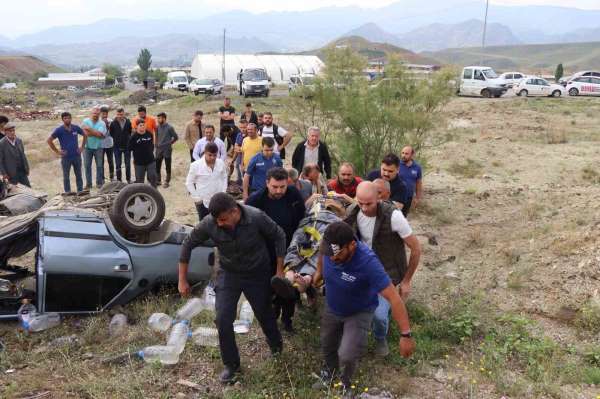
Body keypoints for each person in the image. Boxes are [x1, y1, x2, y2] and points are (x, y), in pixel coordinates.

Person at [178, 192, 285, 383]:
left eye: (223, 219)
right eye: (217, 220)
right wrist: (182, 280)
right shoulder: (210, 222)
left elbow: (279, 235)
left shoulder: (256, 217)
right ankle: (231, 365)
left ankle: (276, 346)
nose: (219, 224)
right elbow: (188, 243)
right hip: (229, 274)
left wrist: (279, 270)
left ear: (235, 211)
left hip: (256, 273)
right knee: (223, 319)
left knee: (264, 313)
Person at [311, 221, 415, 396]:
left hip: (358, 311)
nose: (332, 259)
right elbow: (323, 255)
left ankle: (346, 383)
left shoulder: (368, 263)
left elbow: (393, 297)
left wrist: (405, 334)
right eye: (329, 254)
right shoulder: (329, 251)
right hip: (333, 306)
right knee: (328, 344)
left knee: (347, 354)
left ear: (352, 245)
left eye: (336, 255)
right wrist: (319, 272)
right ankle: (329, 372)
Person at [344, 181, 421, 357]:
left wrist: (407, 280)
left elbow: (416, 248)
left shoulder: (393, 216)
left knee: (379, 316)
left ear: (379, 197)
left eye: (368, 203)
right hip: (361, 269)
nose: (363, 208)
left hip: (386, 272)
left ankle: (380, 338)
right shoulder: (353, 211)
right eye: (360, 202)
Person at [246, 167, 306, 332]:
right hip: (265, 252)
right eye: (275, 187)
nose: (279, 191)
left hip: (290, 251)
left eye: (282, 187)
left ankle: (287, 320)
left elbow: (303, 221)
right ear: (267, 183)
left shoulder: (294, 194)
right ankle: (272, 316)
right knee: (269, 288)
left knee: (289, 287)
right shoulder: (255, 201)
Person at [186, 142, 227, 221]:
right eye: (210, 155)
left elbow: (224, 177)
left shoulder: (220, 163)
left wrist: (223, 192)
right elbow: (189, 183)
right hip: (202, 201)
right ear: (205, 153)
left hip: (218, 200)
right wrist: (197, 198)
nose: (212, 158)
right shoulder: (195, 165)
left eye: (215, 155)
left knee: (218, 221)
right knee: (204, 223)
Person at [47, 112, 85, 194]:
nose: (67, 120)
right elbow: (49, 140)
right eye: (65, 118)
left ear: (71, 118)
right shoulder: (59, 130)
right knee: (66, 177)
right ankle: (68, 193)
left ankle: (80, 191)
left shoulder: (75, 128)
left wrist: (82, 147)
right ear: (62, 119)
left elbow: (85, 135)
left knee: (79, 175)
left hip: (76, 156)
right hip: (66, 158)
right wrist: (58, 151)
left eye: (68, 118)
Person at [82, 107, 107, 189]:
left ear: (99, 114)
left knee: (99, 166)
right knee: (87, 166)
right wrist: (96, 133)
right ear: (91, 113)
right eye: (94, 113)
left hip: (98, 147)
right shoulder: (85, 121)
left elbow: (101, 135)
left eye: (97, 114)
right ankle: (89, 184)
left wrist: (89, 129)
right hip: (87, 147)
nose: (95, 115)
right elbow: (86, 134)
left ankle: (99, 183)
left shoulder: (102, 123)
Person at [128, 120, 157, 187]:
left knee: (153, 176)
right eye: (140, 125)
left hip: (150, 161)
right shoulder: (133, 137)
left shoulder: (149, 134)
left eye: (144, 125)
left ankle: (154, 192)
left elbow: (152, 145)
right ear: (137, 127)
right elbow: (129, 148)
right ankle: (141, 196)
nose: (142, 127)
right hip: (139, 163)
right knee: (140, 181)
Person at [155, 112, 178, 188]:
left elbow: (176, 137)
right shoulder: (157, 127)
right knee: (157, 165)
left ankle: (167, 181)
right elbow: (156, 137)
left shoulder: (170, 128)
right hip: (158, 150)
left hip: (167, 150)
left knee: (168, 166)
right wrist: (156, 145)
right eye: (157, 118)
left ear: (164, 118)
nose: (158, 120)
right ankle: (158, 180)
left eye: (160, 118)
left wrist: (169, 143)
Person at [109, 108, 133, 183]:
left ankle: (128, 179)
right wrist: (117, 139)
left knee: (127, 164)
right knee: (118, 164)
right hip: (116, 147)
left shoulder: (128, 122)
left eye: (121, 114)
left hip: (127, 146)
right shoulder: (113, 123)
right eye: (118, 114)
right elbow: (111, 133)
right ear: (116, 114)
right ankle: (119, 180)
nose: (120, 116)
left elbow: (129, 132)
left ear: (124, 114)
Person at [399, 146, 423, 214]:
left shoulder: (417, 167)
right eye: (402, 153)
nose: (403, 155)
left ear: (412, 155)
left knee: (404, 216)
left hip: (408, 197)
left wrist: (417, 198)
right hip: (397, 196)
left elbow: (419, 183)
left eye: (406, 154)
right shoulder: (397, 165)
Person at [100, 106, 115, 181]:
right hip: (100, 145)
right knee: (101, 162)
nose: (104, 115)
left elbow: (112, 132)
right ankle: (102, 178)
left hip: (109, 144)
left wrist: (107, 125)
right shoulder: (98, 122)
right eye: (103, 114)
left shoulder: (111, 121)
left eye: (106, 114)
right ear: (100, 114)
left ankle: (112, 177)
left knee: (110, 161)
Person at [232, 119, 248, 184]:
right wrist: (233, 160)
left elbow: (245, 148)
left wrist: (240, 148)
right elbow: (236, 147)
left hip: (247, 158)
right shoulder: (239, 135)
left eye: (244, 127)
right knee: (238, 168)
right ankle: (239, 183)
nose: (243, 129)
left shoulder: (250, 135)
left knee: (245, 173)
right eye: (241, 127)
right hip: (239, 157)